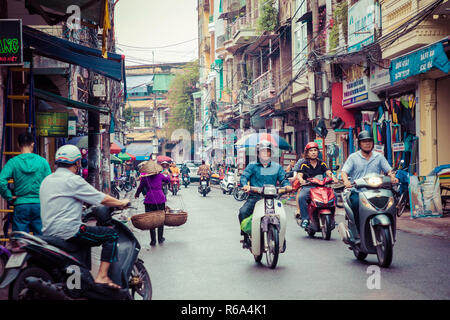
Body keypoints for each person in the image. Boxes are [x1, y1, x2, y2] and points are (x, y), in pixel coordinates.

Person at [40, 144, 130, 289]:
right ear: (77, 163)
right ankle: (102, 276)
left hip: (48, 231)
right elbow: (102, 198)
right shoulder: (74, 180)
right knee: (111, 235)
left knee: (86, 234)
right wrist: (121, 203)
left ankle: (76, 283)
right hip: (70, 231)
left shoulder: (47, 180)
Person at [341, 130, 398, 241]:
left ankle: (390, 230)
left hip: (377, 189)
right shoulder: (353, 157)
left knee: (391, 203)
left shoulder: (379, 157)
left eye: (369, 141)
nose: (367, 143)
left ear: (373, 143)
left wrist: (392, 177)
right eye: (364, 141)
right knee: (356, 203)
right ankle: (357, 232)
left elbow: (389, 170)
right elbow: (344, 172)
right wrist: (346, 181)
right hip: (358, 190)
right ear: (359, 144)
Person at [239, 141, 291, 248]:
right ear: (258, 153)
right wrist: (245, 185)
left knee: (280, 216)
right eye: (263, 151)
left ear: (271, 154)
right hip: (255, 197)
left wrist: (287, 185)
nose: (266, 154)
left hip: (272, 197)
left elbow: (283, 179)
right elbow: (244, 177)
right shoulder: (252, 166)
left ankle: (281, 238)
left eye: (268, 151)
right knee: (243, 212)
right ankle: (246, 237)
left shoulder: (277, 167)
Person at [0, 132, 51, 236]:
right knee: (42, 239)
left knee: (20, 241)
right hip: (39, 205)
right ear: (32, 144)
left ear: (18, 145)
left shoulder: (13, 162)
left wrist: (9, 196)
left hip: (21, 205)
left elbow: (1, 181)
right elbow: (50, 183)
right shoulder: (42, 162)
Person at [296, 142, 337, 228]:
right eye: (311, 151)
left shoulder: (322, 163)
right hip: (309, 187)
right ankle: (305, 218)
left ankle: (332, 217)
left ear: (318, 152)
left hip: (321, 186)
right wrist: (302, 180)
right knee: (301, 197)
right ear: (307, 153)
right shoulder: (303, 163)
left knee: (334, 195)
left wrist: (334, 178)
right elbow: (299, 175)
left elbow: (328, 172)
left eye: (315, 150)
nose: (313, 152)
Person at [135, 160, 170, 246]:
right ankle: (160, 238)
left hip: (149, 200)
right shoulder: (160, 175)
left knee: (151, 220)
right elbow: (167, 180)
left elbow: (140, 188)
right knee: (160, 219)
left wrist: (137, 194)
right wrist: (168, 175)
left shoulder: (144, 178)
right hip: (160, 199)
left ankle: (153, 240)